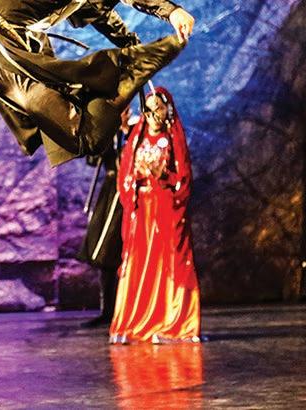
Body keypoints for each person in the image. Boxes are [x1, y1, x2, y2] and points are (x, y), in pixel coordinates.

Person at [0, 0, 195, 166]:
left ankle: (124, 72)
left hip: (16, 47)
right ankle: (123, 73)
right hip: (8, 50)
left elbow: (96, 10)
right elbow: (96, 10)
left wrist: (163, 17)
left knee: (85, 136)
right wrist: (169, 12)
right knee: (84, 136)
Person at [109, 87, 200, 344]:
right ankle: (133, 322)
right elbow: (125, 175)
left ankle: (176, 324)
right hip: (142, 213)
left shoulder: (173, 139)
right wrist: (134, 181)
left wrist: (164, 176)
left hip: (165, 210)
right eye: (147, 110)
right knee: (140, 264)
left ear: (167, 110)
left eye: (157, 108)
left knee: (168, 262)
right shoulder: (137, 138)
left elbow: (184, 179)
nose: (152, 115)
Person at [78, 107, 132, 328]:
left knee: (116, 248)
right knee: (103, 251)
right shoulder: (110, 133)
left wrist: (126, 131)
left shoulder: (135, 130)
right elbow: (92, 159)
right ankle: (107, 310)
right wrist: (103, 132)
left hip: (129, 192)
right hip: (110, 192)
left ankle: (126, 309)